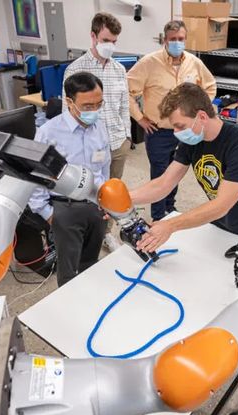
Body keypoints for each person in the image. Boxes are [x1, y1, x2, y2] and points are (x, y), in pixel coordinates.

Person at [128, 83, 238, 363]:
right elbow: (163, 184)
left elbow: (222, 203)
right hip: (221, 224)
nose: (176, 132)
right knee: (220, 284)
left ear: (202, 117)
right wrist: (124, 198)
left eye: (180, 124)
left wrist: (170, 225)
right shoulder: (189, 141)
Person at [127, 20, 216, 221]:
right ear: (164, 40)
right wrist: (139, 118)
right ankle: (158, 217)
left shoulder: (194, 63)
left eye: (181, 39)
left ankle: (170, 209)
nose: (177, 42)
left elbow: (210, 87)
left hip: (185, 131)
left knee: (176, 173)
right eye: (173, 39)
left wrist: (199, 111)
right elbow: (127, 91)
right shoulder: (149, 63)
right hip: (158, 132)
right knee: (160, 176)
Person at [29, 72, 110, 286]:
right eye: (87, 106)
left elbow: (104, 168)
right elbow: (36, 178)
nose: (94, 111)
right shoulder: (48, 133)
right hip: (65, 208)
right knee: (69, 270)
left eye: (98, 104)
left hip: (96, 205)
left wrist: (106, 201)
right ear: (69, 102)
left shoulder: (100, 127)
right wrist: (49, 214)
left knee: (91, 262)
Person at [63, 12, 131, 251]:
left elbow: (125, 106)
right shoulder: (75, 70)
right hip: (90, 147)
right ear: (93, 36)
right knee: (89, 191)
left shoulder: (119, 70)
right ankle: (86, 233)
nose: (110, 46)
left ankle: (107, 233)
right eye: (105, 40)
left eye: (114, 41)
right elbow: (68, 112)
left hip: (117, 141)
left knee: (112, 191)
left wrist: (127, 136)